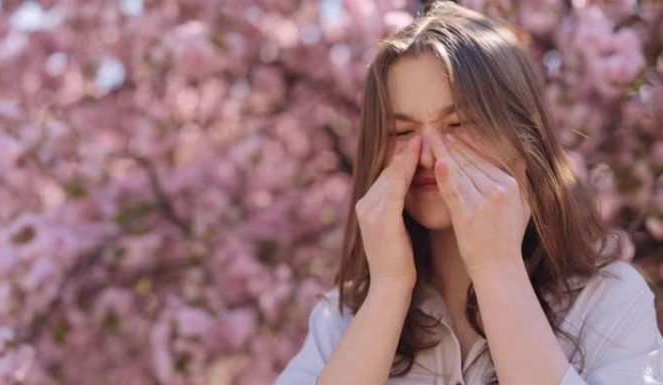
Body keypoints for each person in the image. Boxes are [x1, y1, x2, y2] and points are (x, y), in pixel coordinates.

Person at [274, 1, 663, 384]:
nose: (426, 155)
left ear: (521, 140)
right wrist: (388, 290)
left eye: (457, 124)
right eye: (402, 133)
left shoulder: (607, 302)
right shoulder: (342, 318)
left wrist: (498, 271)